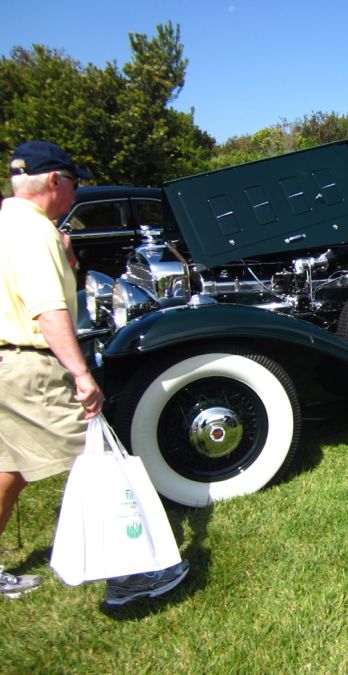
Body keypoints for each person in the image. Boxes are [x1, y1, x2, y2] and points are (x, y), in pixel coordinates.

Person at [0, 141, 188, 605]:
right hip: (32, 365)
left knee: (9, 468)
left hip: (4, 361)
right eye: (74, 182)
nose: (76, 192)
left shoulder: (8, 222)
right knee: (99, 462)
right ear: (54, 181)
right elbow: (48, 310)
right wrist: (81, 374)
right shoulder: (35, 232)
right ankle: (131, 576)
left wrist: (65, 256)